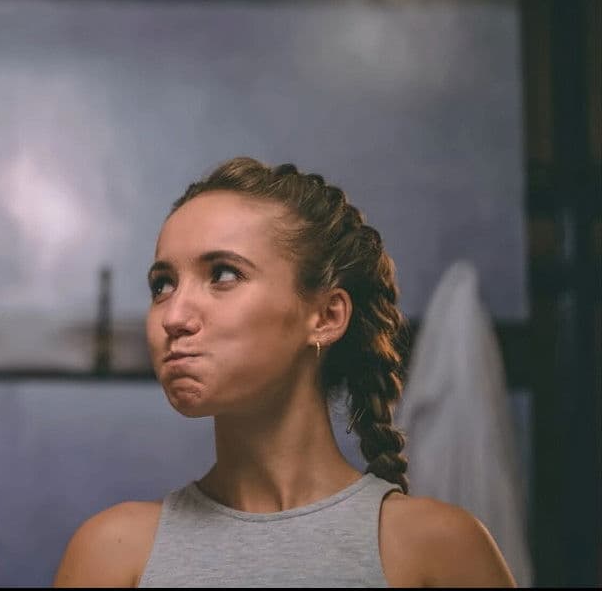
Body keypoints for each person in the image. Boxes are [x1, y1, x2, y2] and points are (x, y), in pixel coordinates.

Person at [53, 157, 515, 588]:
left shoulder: (439, 550)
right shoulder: (111, 555)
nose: (173, 316)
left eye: (223, 274)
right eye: (163, 284)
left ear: (326, 317)